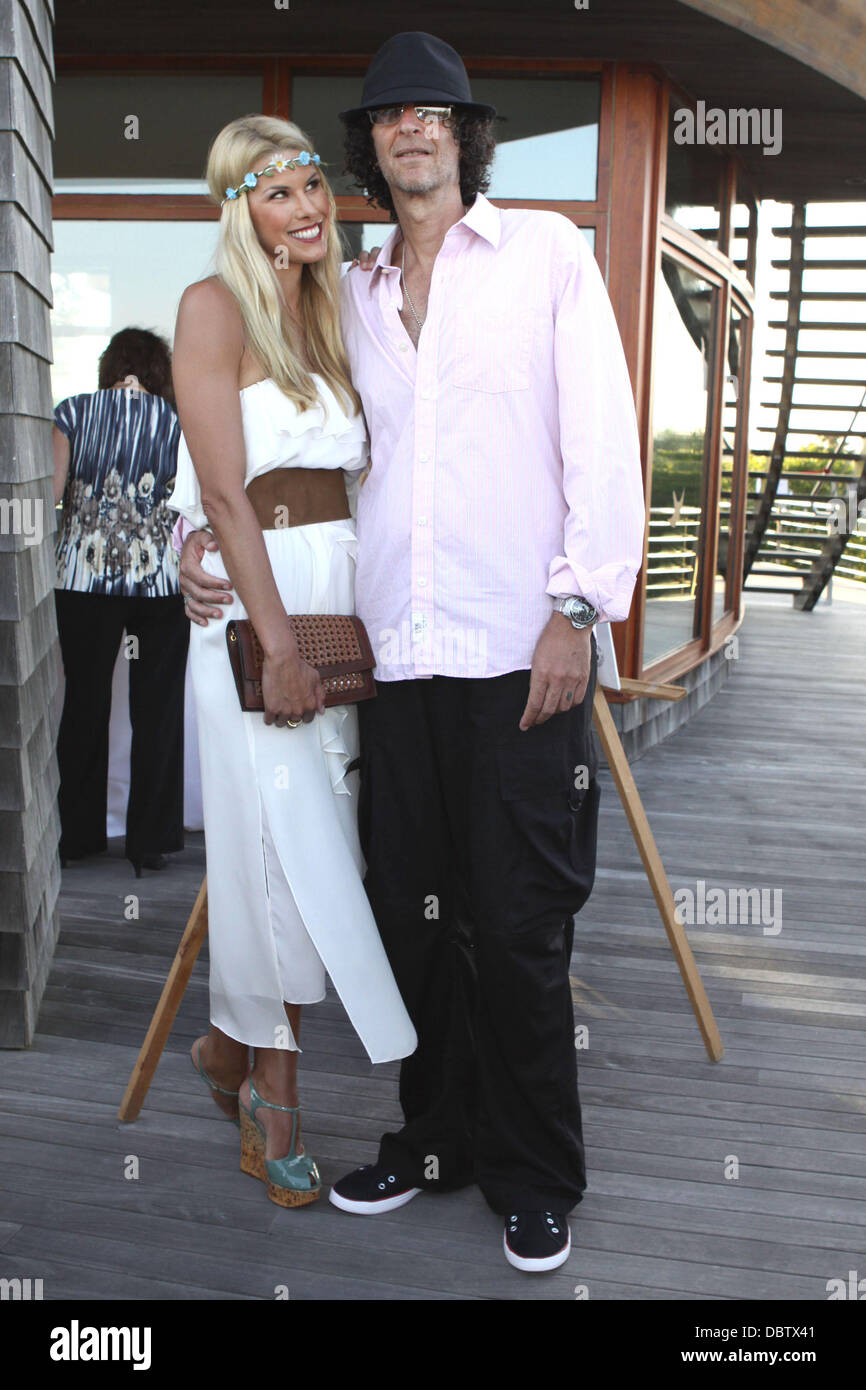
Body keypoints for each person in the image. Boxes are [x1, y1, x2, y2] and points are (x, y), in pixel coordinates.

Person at [179, 33, 645, 1269]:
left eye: (434, 112)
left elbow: (603, 444)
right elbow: (284, 454)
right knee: (412, 919)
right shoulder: (353, 291)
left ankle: (531, 1169)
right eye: (390, 117)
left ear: (464, 136)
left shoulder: (546, 255)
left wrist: (581, 610)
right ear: (369, 149)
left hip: (516, 652)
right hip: (391, 663)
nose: (412, 129)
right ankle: (432, 1141)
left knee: (516, 921)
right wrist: (194, 536)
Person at [167, 115, 416, 1209]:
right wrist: (268, 641)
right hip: (260, 617)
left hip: (339, 612)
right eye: (279, 193)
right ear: (239, 208)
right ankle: (274, 1100)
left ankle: (229, 1052)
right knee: (270, 856)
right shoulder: (210, 308)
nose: (308, 205)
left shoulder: (333, 311)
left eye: (315, 183)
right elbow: (221, 492)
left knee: (321, 853)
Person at [53, 328, 188, 878]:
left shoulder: (74, 412)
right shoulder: (180, 420)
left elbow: (52, 488)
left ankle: (78, 835)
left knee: (84, 703)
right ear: (161, 371)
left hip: (83, 579)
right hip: (159, 582)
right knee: (158, 712)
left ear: (110, 366)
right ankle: (149, 842)